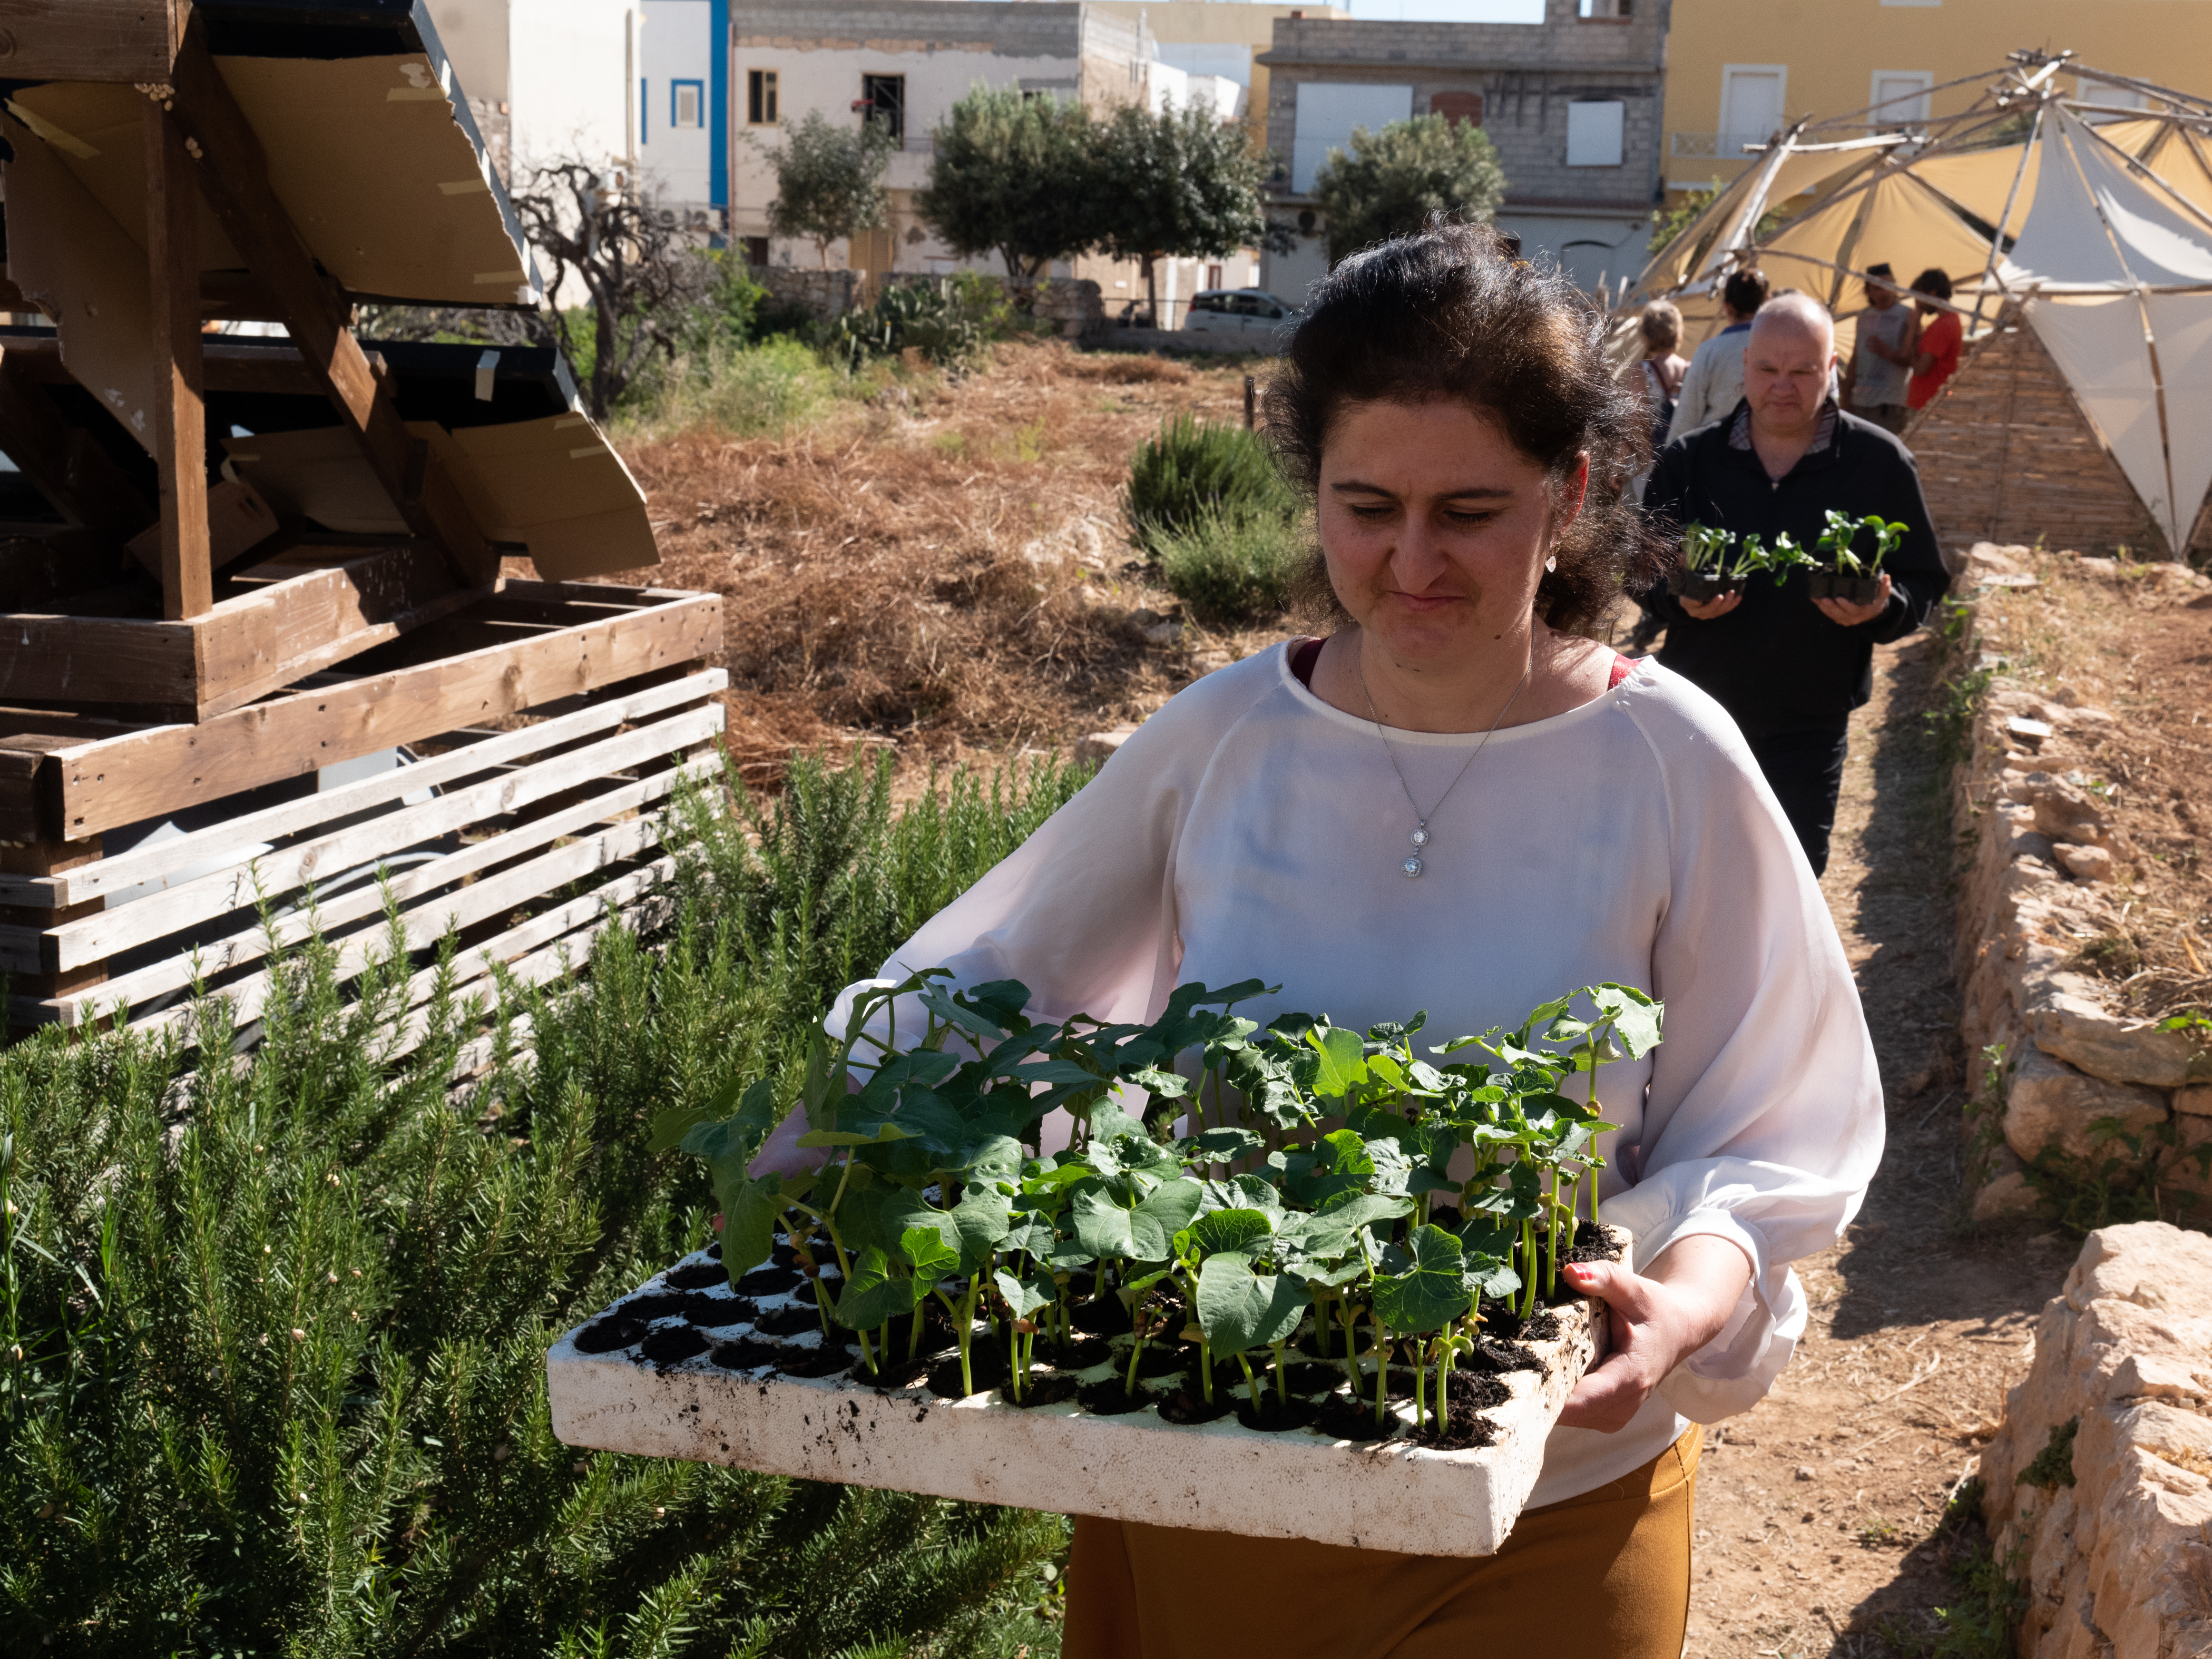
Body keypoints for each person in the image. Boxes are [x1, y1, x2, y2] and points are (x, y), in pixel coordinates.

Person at [749, 223, 1882, 1658]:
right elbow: (997, 979)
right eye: (1366, 506)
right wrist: (828, 1118)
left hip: (1544, 1493)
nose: (1411, 560)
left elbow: (1772, 1119)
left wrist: (1690, 1298)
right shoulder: (1229, 735)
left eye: (1468, 509)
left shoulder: (1666, 756)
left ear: (1568, 491)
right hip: (1227, 1461)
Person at [1636, 291, 1950, 877]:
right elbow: (1638, 565)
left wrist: (1882, 611)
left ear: (1830, 369)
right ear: (1744, 363)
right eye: (1768, 369)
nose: (1782, 386)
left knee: (1791, 880)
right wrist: (1674, 599)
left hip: (1809, 718)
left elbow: (1926, 581)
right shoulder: (1690, 460)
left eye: (1803, 371)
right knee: (1686, 878)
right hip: (1697, 711)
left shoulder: (1878, 463)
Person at [1662, 266, 1768, 444]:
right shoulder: (1779, 349)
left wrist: (1671, 460)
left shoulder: (1710, 351)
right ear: (1765, 305)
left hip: (1717, 451)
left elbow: (1688, 414)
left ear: (1727, 307)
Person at [1842, 263, 1915, 436]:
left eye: (1889, 286)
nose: (1885, 292)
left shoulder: (1907, 316)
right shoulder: (1863, 316)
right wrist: (1846, 397)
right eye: (1878, 288)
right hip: (1861, 401)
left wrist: (1887, 352)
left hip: (1889, 403)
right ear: (1868, 292)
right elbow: (1856, 357)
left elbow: (1912, 360)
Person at [1905, 267, 1962, 416]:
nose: (1917, 303)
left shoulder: (1944, 325)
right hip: (1928, 403)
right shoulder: (1945, 322)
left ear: (1932, 294)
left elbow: (1920, 369)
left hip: (1927, 405)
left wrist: (1911, 350)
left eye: (1919, 297)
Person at [1637, 299, 1688, 449]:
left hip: (1653, 453)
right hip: (1683, 451)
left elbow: (1636, 420)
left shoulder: (1643, 370)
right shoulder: (1690, 368)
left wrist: (1618, 464)